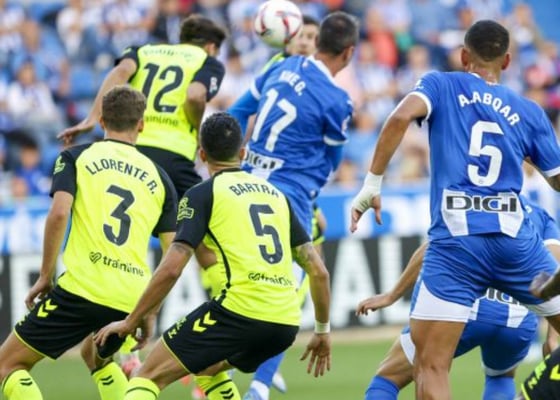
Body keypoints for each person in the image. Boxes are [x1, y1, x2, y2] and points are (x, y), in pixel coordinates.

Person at [350, 19, 560, 400]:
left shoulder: (441, 85)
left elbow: (400, 116)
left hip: (456, 246)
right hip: (516, 242)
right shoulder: (529, 111)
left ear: (464, 56)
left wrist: (371, 185)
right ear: (507, 61)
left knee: (431, 366)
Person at [93, 112, 332, 400]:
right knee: (207, 369)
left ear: (202, 154)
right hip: (285, 324)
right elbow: (319, 271)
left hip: (240, 312)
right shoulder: (276, 196)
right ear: (243, 153)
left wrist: (132, 320)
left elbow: (172, 268)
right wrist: (322, 330)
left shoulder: (202, 194)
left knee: (147, 376)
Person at [0, 85, 178, 400]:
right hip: (131, 296)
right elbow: (173, 253)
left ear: (101, 121)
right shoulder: (161, 178)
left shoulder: (76, 157)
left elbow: (59, 214)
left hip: (83, 288)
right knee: (95, 356)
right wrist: (150, 309)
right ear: (141, 125)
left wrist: (45, 276)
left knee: (7, 365)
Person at [228, 11, 357, 400]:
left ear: (316, 42)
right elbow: (333, 161)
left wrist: (235, 159)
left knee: (243, 288)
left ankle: (232, 375)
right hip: (289, 201)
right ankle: (257, 385)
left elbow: (236, 112)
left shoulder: (279, 68)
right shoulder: (337, 100)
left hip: (243, 188)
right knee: (289, 299)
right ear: (349, 53)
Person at [356, 197, 560, 400]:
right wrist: (552, 337)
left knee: (389, 377)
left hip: (466, 304)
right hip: (518, 319)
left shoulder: (470, 200)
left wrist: (392, 295)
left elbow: (434, 248)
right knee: (501, 377)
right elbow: (553, 269)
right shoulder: (542, 216)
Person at [58, 14, 226, 197]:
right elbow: (195, 95)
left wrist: (91, 119)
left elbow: (121, 71)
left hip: (132, 149)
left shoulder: (143, 51)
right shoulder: (207, 61)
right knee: (201, 208)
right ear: (211, 47)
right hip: (174, 156)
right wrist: (197, 131)